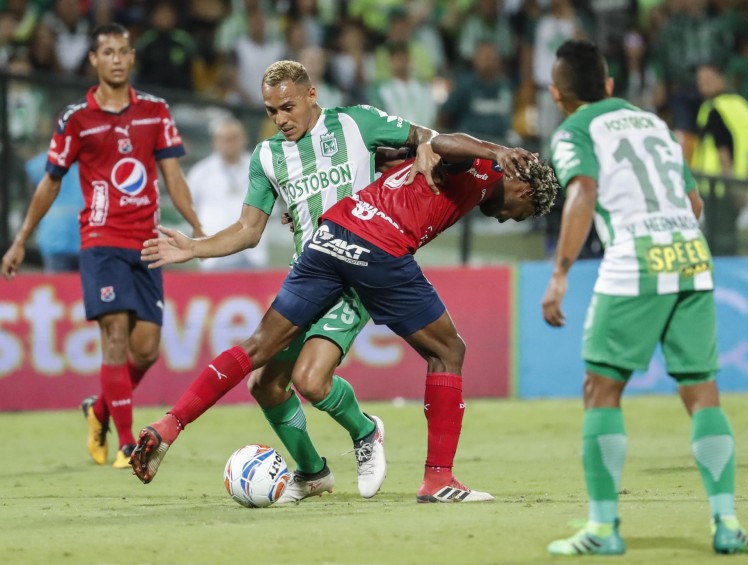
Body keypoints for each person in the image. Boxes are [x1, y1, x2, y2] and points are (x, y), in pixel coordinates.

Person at [131, 132, 558, 504]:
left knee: (259, 347)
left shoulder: (475, 176)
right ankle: (438, 479)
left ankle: (169, 425)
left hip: (331, 234)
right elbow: (442, 142)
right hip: (380, 245)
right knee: (449, 351)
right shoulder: (487, 167)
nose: (508, 218)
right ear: (525, 191)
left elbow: (433, 148)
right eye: (523, 213)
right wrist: (495, 151)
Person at [128, 59, 443, 504]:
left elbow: (425, 135)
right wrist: (194, 247)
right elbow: (248, 230)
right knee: (265, 383)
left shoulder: (357, 124)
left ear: (312, 95)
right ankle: (313, 473)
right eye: (272, 111)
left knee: (311, 382)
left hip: (358, 271)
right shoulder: (267, 156)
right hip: (308, 272)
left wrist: (428, 145)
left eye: (288, 107)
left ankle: (367, 431)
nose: (280, 119)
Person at [543, 40, 748, 556]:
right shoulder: (651, 123)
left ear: (557, 94)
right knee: (702, 391)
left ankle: (602, 528)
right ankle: (726, 522)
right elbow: (694, 200)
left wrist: (560, 274)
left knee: (601, 390)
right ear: (611, 86)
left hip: (635, 260)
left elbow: (583, 192)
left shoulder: (574, 130)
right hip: (691, 255)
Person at [1, 23, 205, 469]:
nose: (116, 58)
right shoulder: (76, 119)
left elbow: (174, 178)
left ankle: (100, 409)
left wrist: (197, 227)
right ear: (93, 60)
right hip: (101, 239)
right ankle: (129, 442)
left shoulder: (155, 111)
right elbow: (49, 182)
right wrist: (20, 241)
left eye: (123, 51)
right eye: (107, 52)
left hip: (148, 241)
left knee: (146, 350)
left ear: (132, 57)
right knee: (114, 333)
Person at [691, 62, 748, 256]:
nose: (701, 84)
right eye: (699, 80)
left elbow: (723, 153)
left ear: (721, 79)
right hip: (740, 186)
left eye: (707, 79)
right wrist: (745, 188)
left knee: (716, 246)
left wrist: (731, 187)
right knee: (729, 241)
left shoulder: (714, 108)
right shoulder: (744, 108)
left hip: (717, 187)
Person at [187, 118, 269, 271]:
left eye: (234, 138)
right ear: (215, 142)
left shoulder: (260, 168)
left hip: (251, 253)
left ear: (244, 139)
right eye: (225, 139)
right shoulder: (200, 173)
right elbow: (190, 208)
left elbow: (270, 206)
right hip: (213, 254)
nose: (230, 143)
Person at [24, 151, 82, 272]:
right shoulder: (89, 160)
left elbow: (33, 197)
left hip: (56, 239)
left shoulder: (42, 163)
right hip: (75, 239)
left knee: (58, 288)